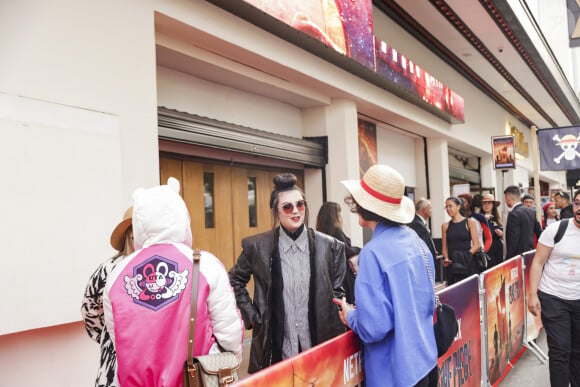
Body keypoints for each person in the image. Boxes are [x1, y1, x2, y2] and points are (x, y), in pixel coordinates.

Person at [102, 178, 243, 386]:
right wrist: (230, 360)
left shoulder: (116, 276)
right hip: (195, 380)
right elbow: (229, 332)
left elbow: (118, 341)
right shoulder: (205, 265)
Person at [229, 173, 346, 373]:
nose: (295, 211)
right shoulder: (257, 246)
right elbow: (234, 279)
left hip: (318, 347)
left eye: (300, 205)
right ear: (276, 211)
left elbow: (337, 292)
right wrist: (253, 316)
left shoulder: (330, 246)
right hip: (276, 349)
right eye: (287, 207)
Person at [337, 164, 437, 387]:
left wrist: (350, 316)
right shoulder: (416, 241)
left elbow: (374, 327)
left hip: (394, 372)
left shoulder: (372, 253)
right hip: (426, 359)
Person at [527, 189, 580, 387]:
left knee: (578, 351)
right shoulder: (556, 230)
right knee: (560, 350)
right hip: (554, 297)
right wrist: (533, 295)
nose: (579, 208)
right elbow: (538, 263)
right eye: (576, 203)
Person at [81, 207, 134, 387]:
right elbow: (90, 309)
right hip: (117, 361)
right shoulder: (109, 269)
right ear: (130, 233)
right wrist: (110, 333)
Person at [316, 201, 361, 304]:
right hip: (343, 276)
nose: (340, 216)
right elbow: (346, 251)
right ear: (334, 215)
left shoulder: (320, 233)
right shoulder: (336, 231)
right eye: (339, 213)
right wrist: (360, 249)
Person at [441, 196, 480, 285]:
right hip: (452, 266)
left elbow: (476, 245)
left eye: (450, 206)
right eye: (446, 207)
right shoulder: (445, 226)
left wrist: (464, 257)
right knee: (453, 293)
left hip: (467, 263)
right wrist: (446, 258)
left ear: (458, 207)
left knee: (468, 292)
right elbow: (444, 248)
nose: (448, 209)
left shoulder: (470, 222)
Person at [504, 185, 537, 259]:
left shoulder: (513, 214)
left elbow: (513, 240)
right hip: (530, 253)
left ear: (508, 197)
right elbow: (539, 232)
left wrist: (508, 258)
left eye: (505, 198)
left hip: (518, 257)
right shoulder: (532, 211)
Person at [408, 198, 438, 276]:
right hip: (423, 266)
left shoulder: (420, 222)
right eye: (430, 208)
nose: (431, 211)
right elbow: (422, 246)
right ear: (424, 210)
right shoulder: (417, 224)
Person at [481, 194, 504, 267]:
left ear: (493, 205)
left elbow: (505, 238)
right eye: (484, 203)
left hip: (498, 251)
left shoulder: (498, 220)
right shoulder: (478, 219)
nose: (486, 205)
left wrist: (501, 234)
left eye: (489, 203)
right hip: (485, 251)